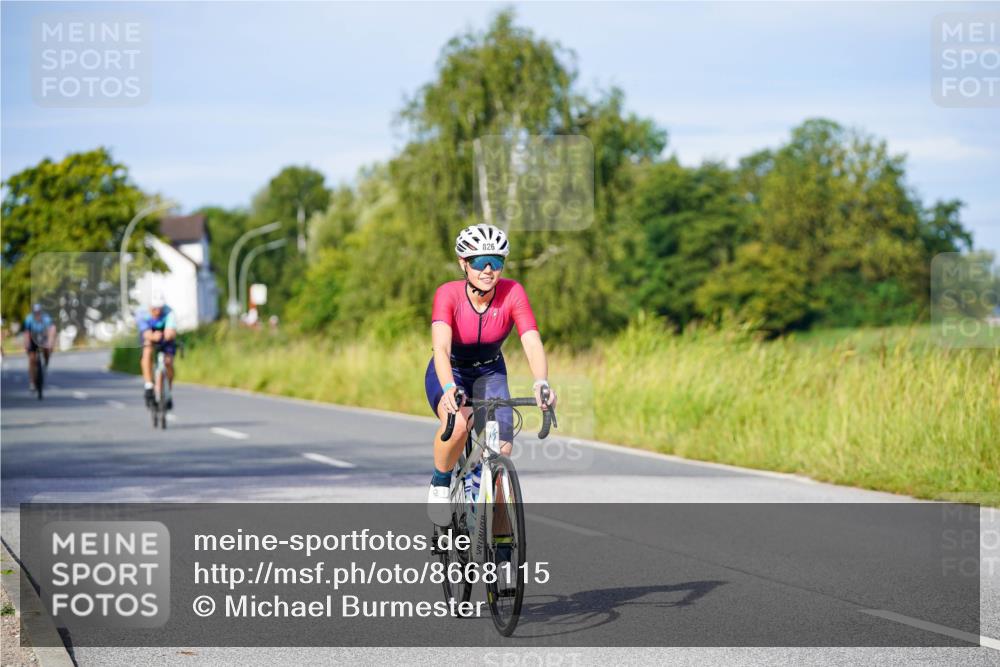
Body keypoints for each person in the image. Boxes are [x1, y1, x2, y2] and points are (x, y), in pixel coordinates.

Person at [425, 224, 556, 527]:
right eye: (479, 261)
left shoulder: (513, 292)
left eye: (496, 262)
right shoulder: (448, 294)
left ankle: (501, 545)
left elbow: (531, 340)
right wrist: (448, 388)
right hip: (452, 370)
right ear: (463, 263)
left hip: (490, 372)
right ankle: (441, 481)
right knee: (458, 425)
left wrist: (542, 382)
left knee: (501, 454)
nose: (488, 269)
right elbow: (441, 349)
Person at [137, 293, 177, 408]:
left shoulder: (169, 312)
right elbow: (145, 333)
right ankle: (149, 385)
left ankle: (167, 390)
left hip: (164, 335)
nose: (157, 311)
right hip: (150, 334)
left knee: (168, 361)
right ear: (149, 306)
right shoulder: (142, 312)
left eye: (160, 309)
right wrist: (154, 336)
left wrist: (167, 334)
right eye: (154, 309)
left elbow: (171, 331)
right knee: (147, 348)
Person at [23, 303, 56, 390]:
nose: (37, 314)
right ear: (33, 312)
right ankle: (32, 382)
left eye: (38, 312)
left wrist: (50, 342)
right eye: (35, 312)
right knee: (32, 359)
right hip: (33, 339)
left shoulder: (46, 318)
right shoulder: (29, 319)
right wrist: (26, 344)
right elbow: (26, 333)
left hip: (43, 338)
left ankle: (46, 362)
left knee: (47, 349)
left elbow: (52, 329)